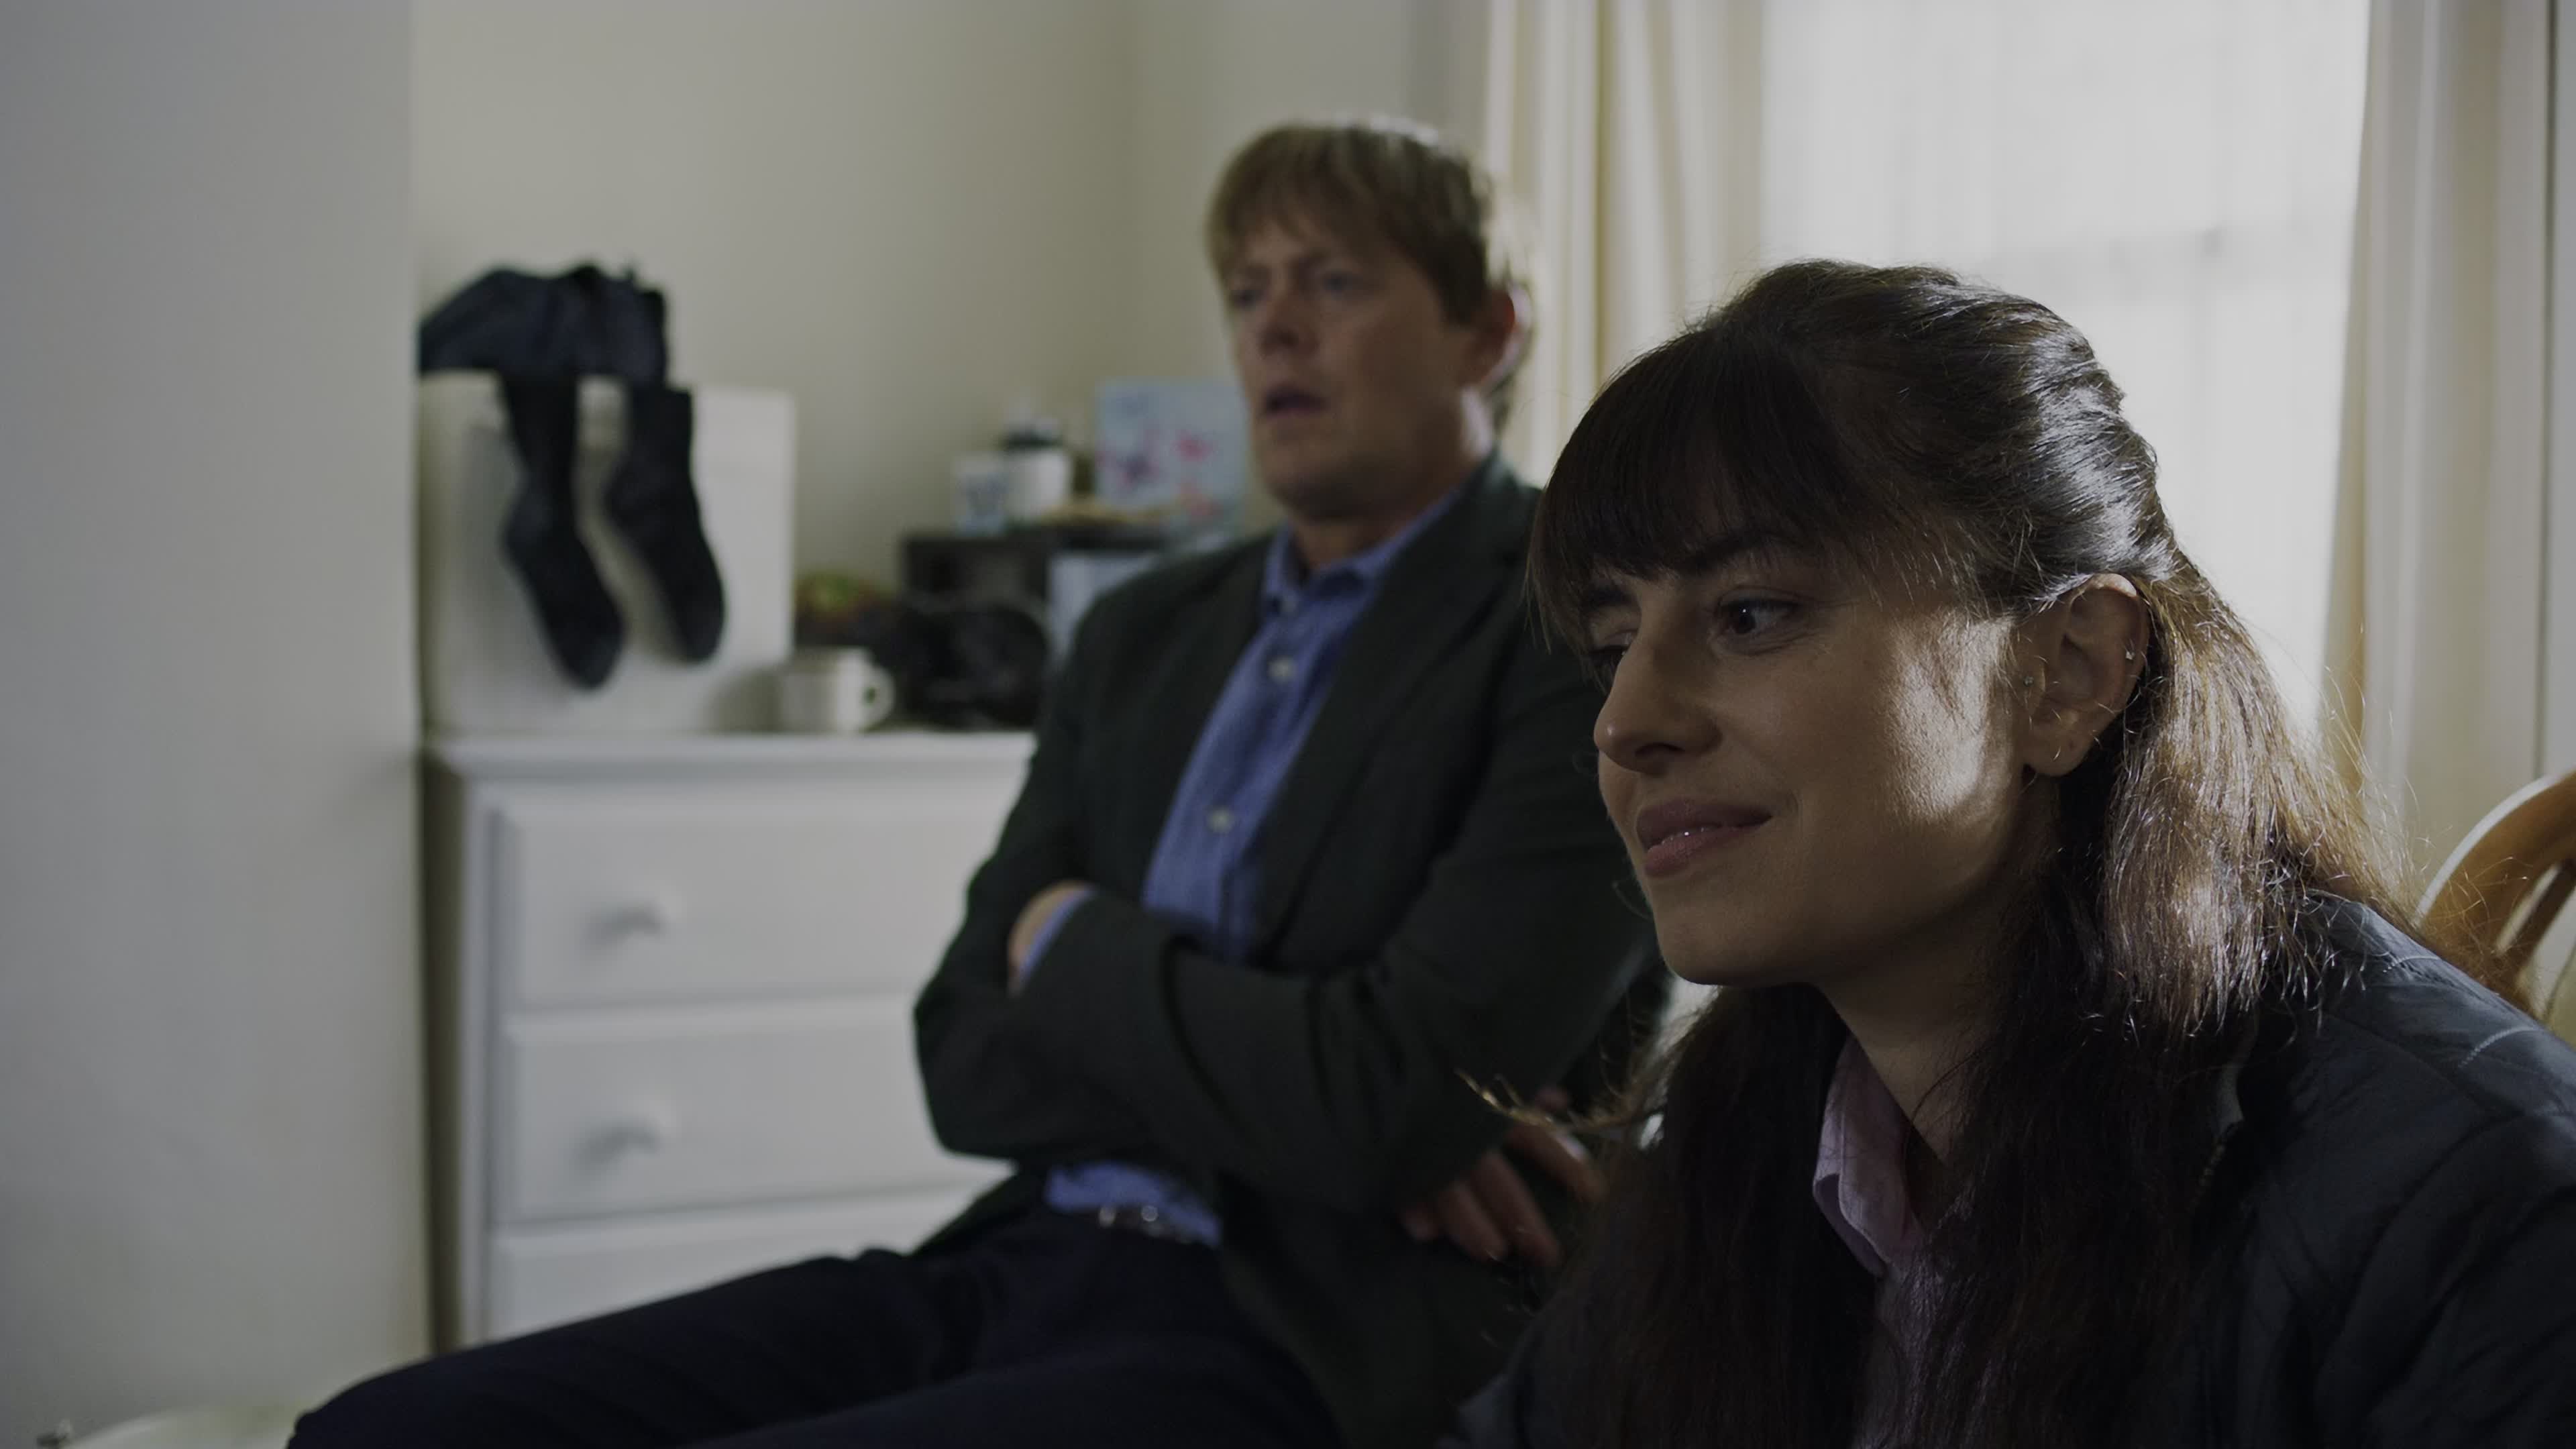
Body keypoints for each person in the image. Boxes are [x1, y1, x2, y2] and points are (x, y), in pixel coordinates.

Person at [295, 120, 1660, 1449]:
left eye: (1336, 281)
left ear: (1487, 333)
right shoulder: (1139, 633)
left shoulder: (1565, 635)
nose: (1275, 330)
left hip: (1307, 1335)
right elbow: (960, 1053)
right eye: (1248, 291)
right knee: (388, 1427)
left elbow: (1385, 1103)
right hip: (1029, 1253)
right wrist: (1320, 1112)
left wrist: (1070, 940)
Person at [1448, 260, 2576, 1449]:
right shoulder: (1745, 1131)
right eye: (1614, 644)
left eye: (1750, 614)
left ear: (2069, 671)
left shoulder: (2480, 1215)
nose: (1625, 723)